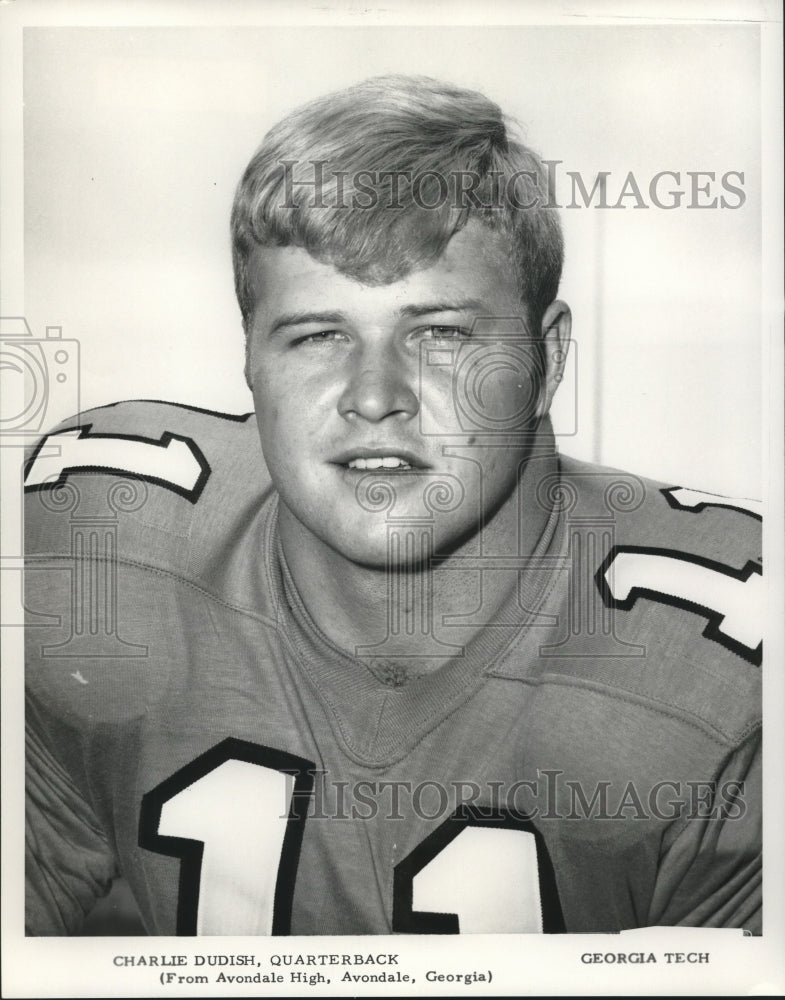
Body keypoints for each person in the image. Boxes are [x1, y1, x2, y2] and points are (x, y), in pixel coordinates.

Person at [24, 75, 761, 936]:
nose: (374, 396)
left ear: (546, 359)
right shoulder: (100, 540)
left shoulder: (729, 676)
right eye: (318, 335)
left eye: (440, 333)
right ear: (250, 358)